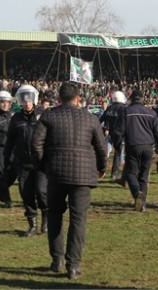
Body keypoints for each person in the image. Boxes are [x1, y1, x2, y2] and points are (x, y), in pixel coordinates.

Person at [31, 82, 107, 280]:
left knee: (55, 215)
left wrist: (43, 166)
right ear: (78, 98)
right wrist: (102, 167)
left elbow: (36, 144)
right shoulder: (90, 118)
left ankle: (57, 260)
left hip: (56, 174)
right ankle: (73, 265)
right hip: (82, 176)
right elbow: (101, 147)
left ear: (58, 98)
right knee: (78, 219)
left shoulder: (49, 116)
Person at [111, 89, 158, 212]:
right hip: (148, 147)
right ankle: (143, 203)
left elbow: (118, 131)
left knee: (131, 173)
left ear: (131, 99)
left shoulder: (126, 111)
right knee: (144, 175)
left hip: (133, 146)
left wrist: (117, 144)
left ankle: (137, 194)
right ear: (142, 99)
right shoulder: (151, 113)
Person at [5, 84, 48, 236]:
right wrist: (7, 159)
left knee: (42, 192)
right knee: (26, 193)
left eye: (29, 98)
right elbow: (10, 140)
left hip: (41, 163)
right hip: (23, 163)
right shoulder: (16, 118)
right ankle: (32, 225)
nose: (27, 101)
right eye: (23, 98)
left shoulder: (43, 115)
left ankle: (46, 220)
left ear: (34, 99)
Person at [98, 90, 127, 180]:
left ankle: (100, 169)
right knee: (118, 153)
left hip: (110, 133)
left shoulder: (109, 108)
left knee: (106, 152)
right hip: (121, 134)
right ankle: (114, 173)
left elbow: (100, 119)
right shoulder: (124, 108)